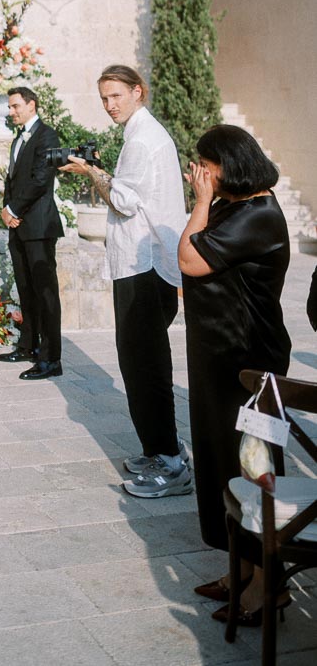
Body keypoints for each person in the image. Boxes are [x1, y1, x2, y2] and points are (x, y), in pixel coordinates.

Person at [61, 65, 191, 498]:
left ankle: (171, 463)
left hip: (144, 264)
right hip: (145, 263)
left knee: (145, 366)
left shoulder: (143, 138)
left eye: (116, 95)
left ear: (138, 92)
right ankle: (159, 450)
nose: (109, 105)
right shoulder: (145, 134)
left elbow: (123, 199)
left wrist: (90, 173)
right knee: (142, 363)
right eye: (103, 98)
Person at [180, 125, 291, 626]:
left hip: (248, 362)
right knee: (225, 467)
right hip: (219, 357)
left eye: (208, 165)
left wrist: (200, 200)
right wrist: (206, 201)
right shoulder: (234, 204)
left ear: (232, 163)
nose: (201, 173)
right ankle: (240, 571)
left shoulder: (260, 215)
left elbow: (190, 257)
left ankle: (270, 589)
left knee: (254, 469)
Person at [0, 87, 63, 379]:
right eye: (10, 107)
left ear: (31, 105)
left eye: (15, 106)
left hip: (38, 226)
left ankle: (51, 360)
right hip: (18, 226)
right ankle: (27, 345)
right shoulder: (18, 138)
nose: (11, 112)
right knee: (25, 288)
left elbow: (40, 180)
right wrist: (7, 211)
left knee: (46, 293)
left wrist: (12, 209)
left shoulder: (47, 136)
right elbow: (13, 179)